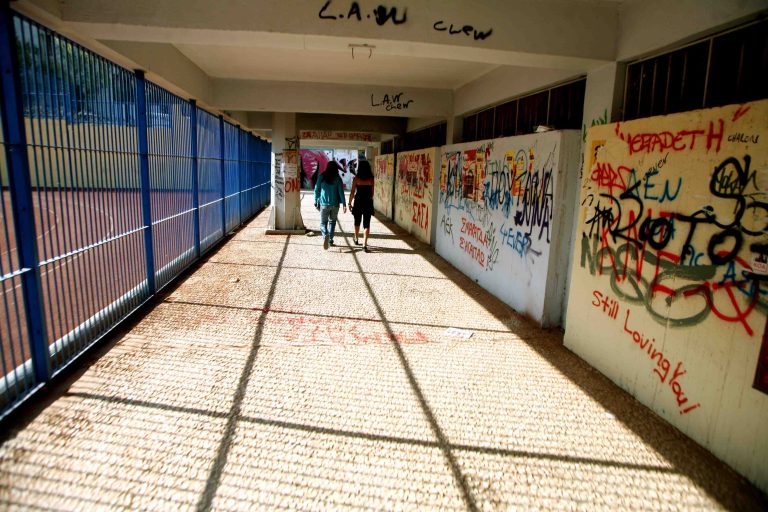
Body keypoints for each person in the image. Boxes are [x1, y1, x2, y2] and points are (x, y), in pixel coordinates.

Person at [314, 160, 347, 250]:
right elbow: (341, 192)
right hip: (335, 205)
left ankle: (325, 234)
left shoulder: (322, 176)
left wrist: (316, 201)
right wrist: (344, 204)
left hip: (324, 204)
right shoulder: (338, 178)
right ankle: (330, 240)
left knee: (323, 223)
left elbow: (316, 189)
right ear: (336, 168)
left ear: (327, 167)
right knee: (332, 222)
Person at [348, 159, 375, 252]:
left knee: (357, 221)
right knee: (367, 224)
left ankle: (356, 238)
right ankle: (364, 244)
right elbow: (372, 193)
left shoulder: (356, 179)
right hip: (368, 202)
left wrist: (349, 203)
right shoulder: (371, 179)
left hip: (358, 202)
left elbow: (352, 192)